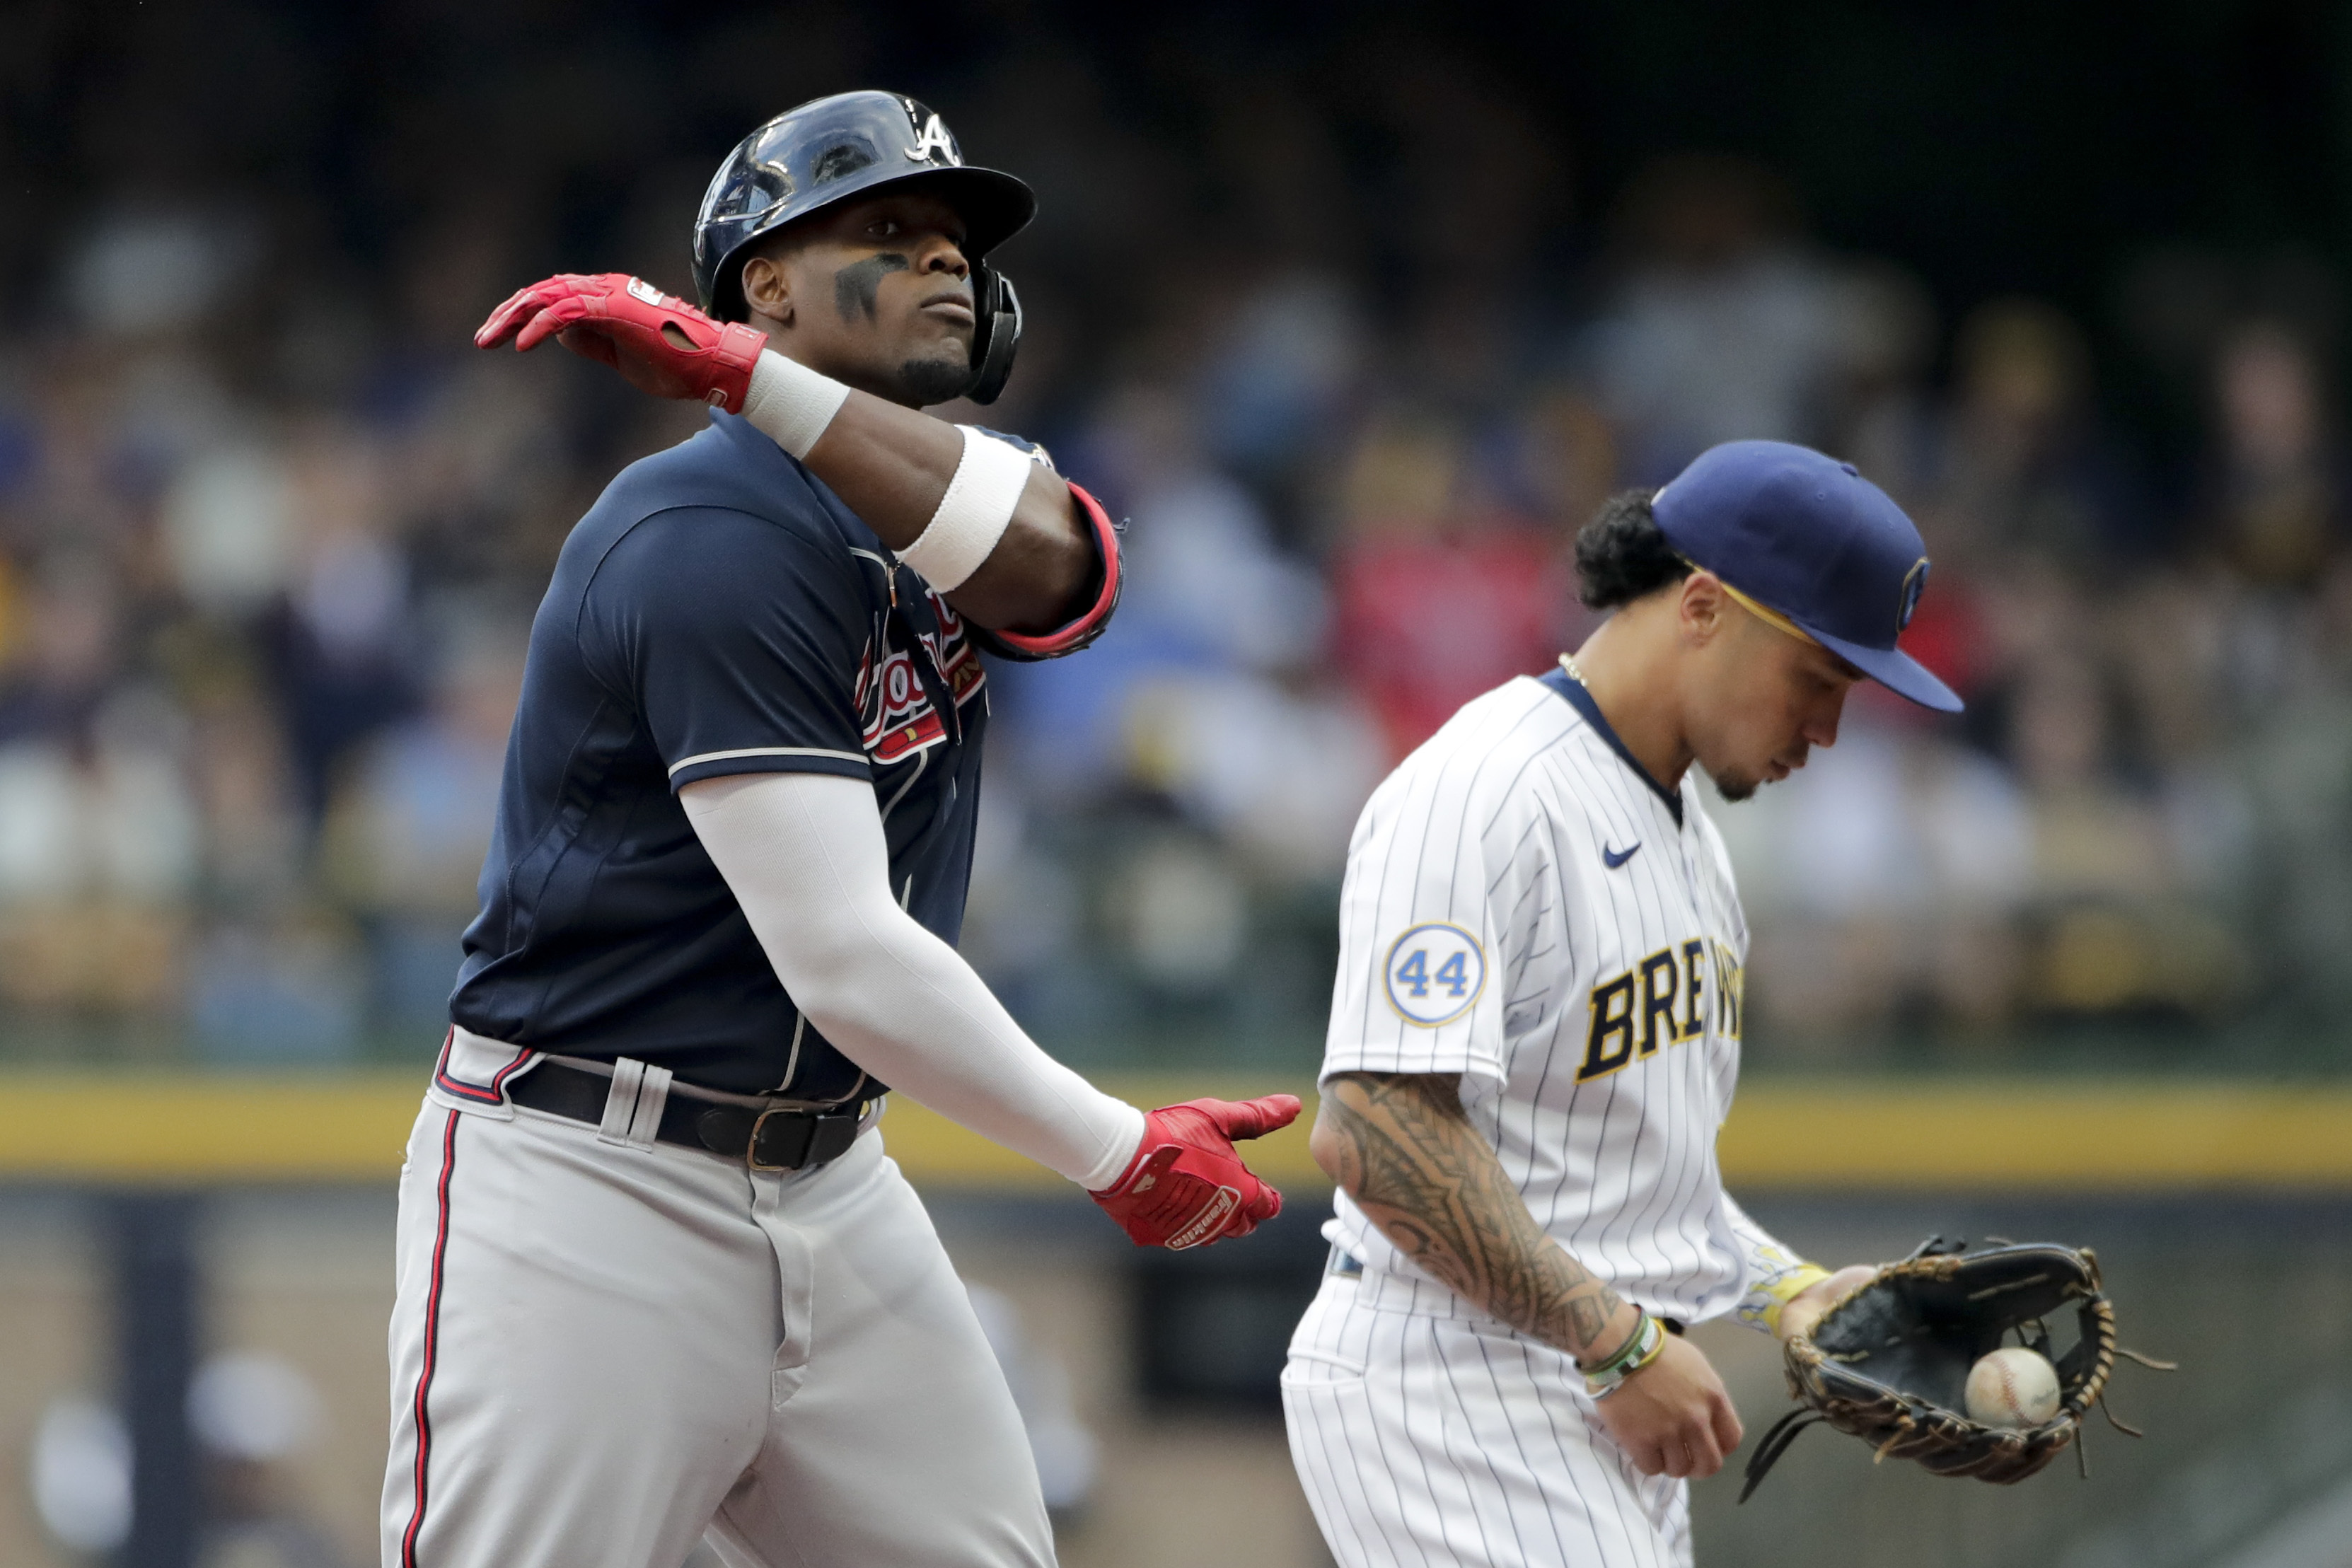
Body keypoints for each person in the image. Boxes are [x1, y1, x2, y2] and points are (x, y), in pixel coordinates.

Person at [386, 91, 1297, 1568]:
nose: (943, 260)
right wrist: (1113, 1145)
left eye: (954, 238)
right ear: (764, 284)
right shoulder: (703, 529)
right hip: (590, 1178)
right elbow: (844, 957)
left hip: (832, 1180)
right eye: (885, 228)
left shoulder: (931, 501)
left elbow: (1060, 569)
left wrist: (751, 379)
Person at [1282, 440, 1962, 1568]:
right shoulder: (1485, 789)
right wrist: (1614, 1341)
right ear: (1702, 604)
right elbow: (1377, 1129)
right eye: (1819, 678)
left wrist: (1787, 1291)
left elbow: (1626, 1183)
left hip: (1595, 1382)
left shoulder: (1693, 842)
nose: (1830, 728)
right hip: (1454, 1385)